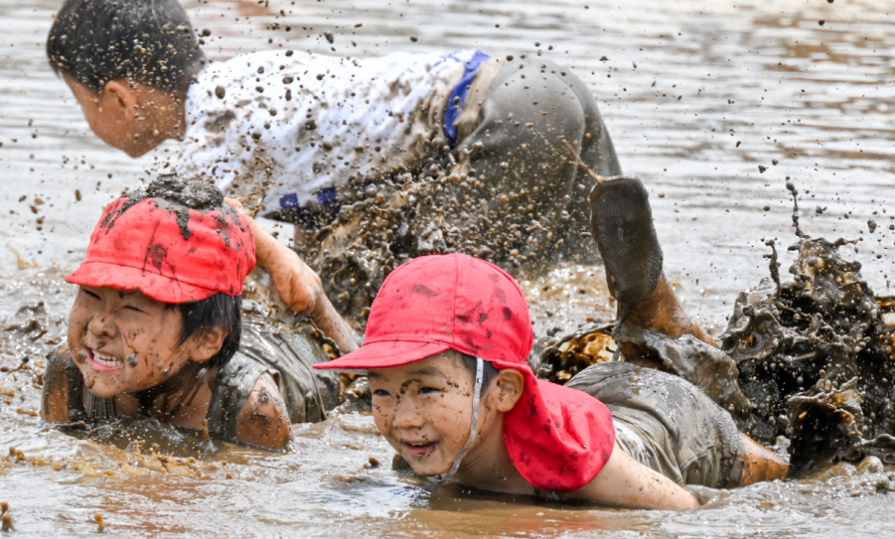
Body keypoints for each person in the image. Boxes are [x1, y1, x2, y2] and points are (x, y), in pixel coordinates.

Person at [232, 175, 778, 508]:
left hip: (671, 423)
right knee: (642, 359)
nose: (401, 417)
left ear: (503, 390)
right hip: (590, 393)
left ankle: (651, 313)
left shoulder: (574, 467)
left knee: (777, 462)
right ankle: (644, 321)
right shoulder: (432, 443)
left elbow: (688, 510)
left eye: (424, 390)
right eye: (383, 392)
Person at [46, 0, 622, 273]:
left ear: (120, 97)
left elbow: (174, 263)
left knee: (439, 317)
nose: (87, 120)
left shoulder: (212, 141)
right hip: (542, 87)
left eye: (81, 101)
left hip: (499, 122)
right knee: (615, 278)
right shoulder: (242, 80)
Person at [40, 175, 345, 450]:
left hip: (289, 350)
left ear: (206, 340)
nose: (99, 326)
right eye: (91, 295)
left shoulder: (252, 410)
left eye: (131, 308)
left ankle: (312, 295)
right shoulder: (69, 374)